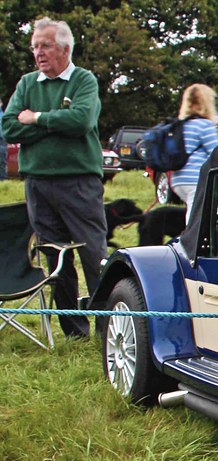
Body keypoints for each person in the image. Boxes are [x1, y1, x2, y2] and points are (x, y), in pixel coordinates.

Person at [1, 17, 106, 339]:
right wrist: (51, 124)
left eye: (44, 46)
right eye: (34, 47)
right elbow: (8, 127)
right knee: (55, 257)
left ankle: (109, 325)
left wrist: (37, 119)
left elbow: (81, 121)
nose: (38, 53)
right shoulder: (27, 84)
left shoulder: (83, 81)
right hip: (37, 184)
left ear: (65, 48)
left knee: (93, 255)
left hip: (78, 182)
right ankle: (74, 329)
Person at [169, 84, 218, 220]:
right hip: (195, 178)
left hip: (178, 179)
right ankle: (192, 240)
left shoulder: (180, 125)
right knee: (195, 218)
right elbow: (216, 152)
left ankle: (190, 238)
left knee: (192, 212)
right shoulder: (205, 125)